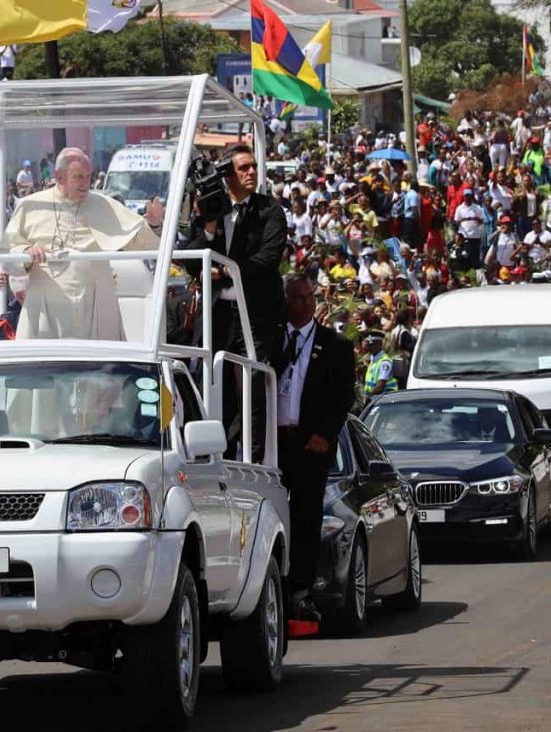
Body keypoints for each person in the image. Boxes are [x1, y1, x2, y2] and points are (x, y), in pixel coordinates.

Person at [180, 144, 287, 462]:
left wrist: (225, 271)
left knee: (252, 385)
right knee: (216, 382)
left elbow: (267, 259)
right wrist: (210, 230)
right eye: (243, 168)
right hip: (219, 316)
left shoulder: (269, 210)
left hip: (254, 314)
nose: (252, 172)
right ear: (227, 176)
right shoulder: (213, 209)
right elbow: (190, 257)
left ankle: (253, 458)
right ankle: (217, 456)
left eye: (253, 166)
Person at [0, 147, 162, 340]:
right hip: (46, 308)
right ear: (59, 176)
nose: (86, 183)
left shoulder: (104, 204)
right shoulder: (31, 206)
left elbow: (144, 243)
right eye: (78, 177)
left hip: (94, 303)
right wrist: (26, 252)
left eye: (88, 176)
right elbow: (7, 253)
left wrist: (154, 224)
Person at [274, 273, 354, 620]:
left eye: (308, 297)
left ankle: (301, 590)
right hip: (274, 444)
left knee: (306, 518)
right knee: (272, 516)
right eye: (296, 297)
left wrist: (325, 433)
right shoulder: (272, 339)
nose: (303, 304)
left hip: (311, 444)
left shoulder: (335, 344)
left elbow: (343, 397)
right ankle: (273, 584)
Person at [453, 188, 484, 269]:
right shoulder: (459, 208)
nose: (468, 198)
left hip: (475, 236)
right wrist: (464, 219)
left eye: (469, 196)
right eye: (466, 196)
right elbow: (456, 222)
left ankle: (477, 278)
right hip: (464, 237)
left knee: (475, 259)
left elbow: (482, 221)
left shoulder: (477, 207)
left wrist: (476, 218)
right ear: (464, 197)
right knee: (465, 258)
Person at [363, 330, 398, 396]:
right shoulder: (373, 360)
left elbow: (380, 387)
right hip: (375, 398)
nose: (369, 347)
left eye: (372, 344)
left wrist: (368, 397)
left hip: (385, 399)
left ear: (379, 344)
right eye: (368, 344)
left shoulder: (384, 362)